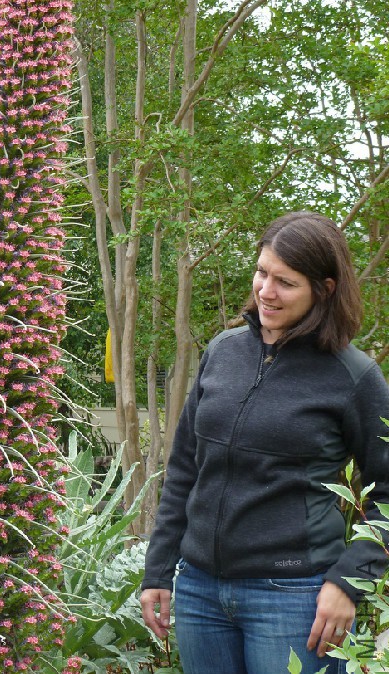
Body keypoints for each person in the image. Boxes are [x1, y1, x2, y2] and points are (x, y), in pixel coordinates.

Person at [140, 211, 389, 674]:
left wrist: (348, 582)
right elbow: (184, 471)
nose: (265, 291)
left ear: (325, 288)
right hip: (198, 592)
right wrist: (159, 571)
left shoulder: (354, 377)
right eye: (262, 272)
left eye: (286, 282)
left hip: (294, 599)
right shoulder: (222, 352)